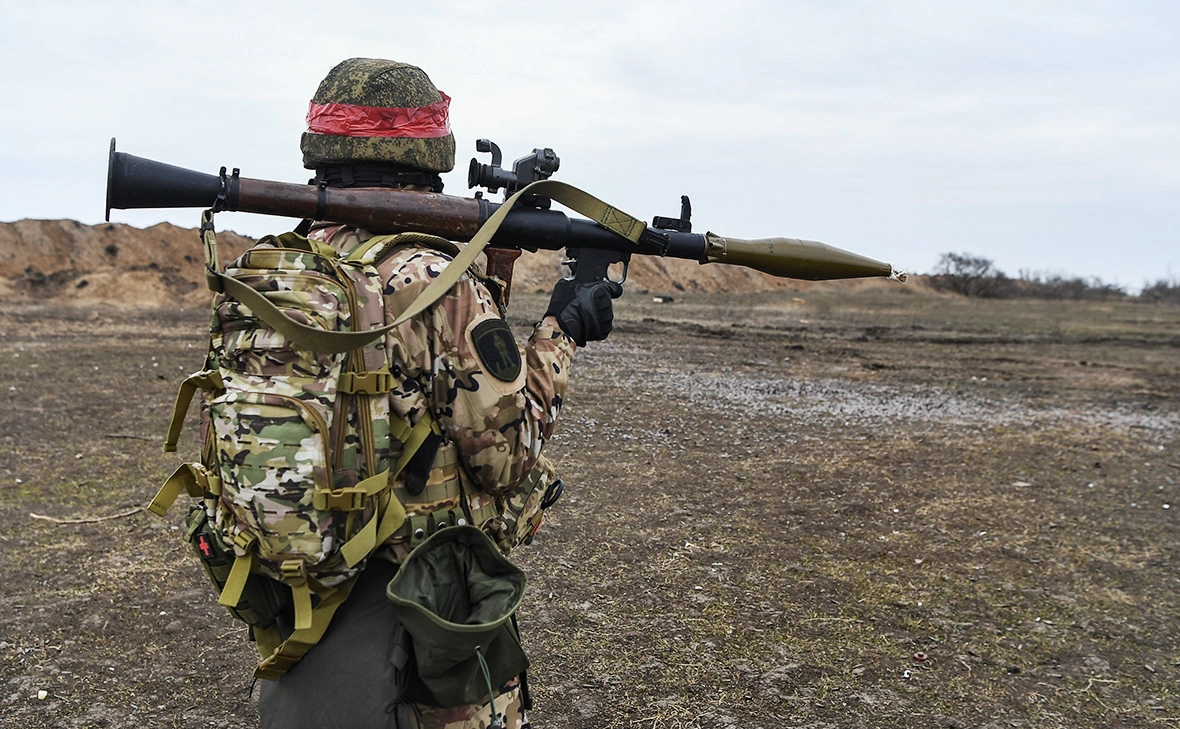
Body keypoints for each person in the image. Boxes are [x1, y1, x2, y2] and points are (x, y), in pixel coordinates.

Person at [255, 58, 621, 729]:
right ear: (429, 155)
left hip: (314, 594)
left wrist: (491, 273)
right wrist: (561, 331)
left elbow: (411, 373)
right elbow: (507, 456)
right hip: (427, 615)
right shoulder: (433, 277)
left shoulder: (287, 262)